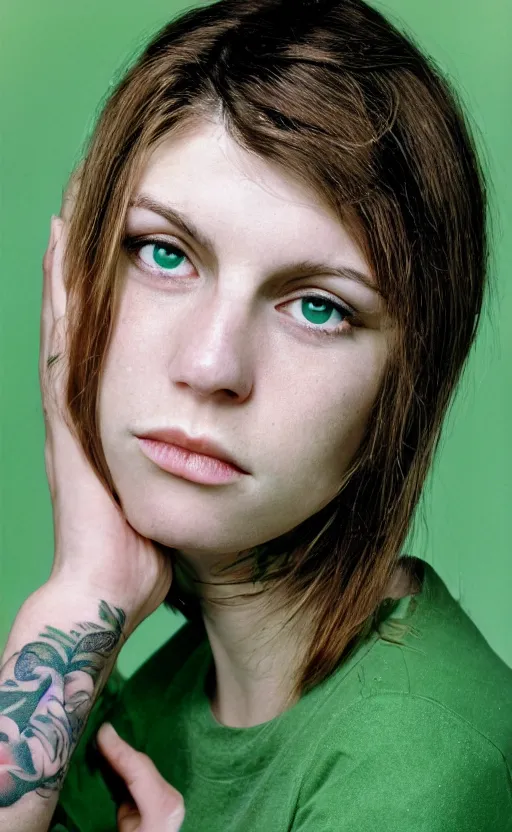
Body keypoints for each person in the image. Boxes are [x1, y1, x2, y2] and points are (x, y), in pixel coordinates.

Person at [1, 0, 511, 829]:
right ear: (80, 282)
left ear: (407, 382)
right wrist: (84, 591)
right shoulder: (140, 706)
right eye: (164, 254)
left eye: (317, 308)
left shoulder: (419, 766)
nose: (210, 367)